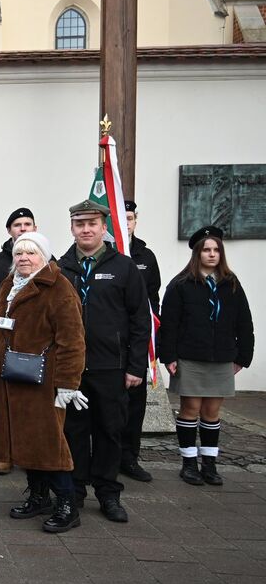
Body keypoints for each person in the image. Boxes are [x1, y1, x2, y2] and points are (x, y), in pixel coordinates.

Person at [0, 232, 87, 533]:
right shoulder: (9, 285)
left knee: (49, 443)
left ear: (44, 256)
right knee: (23, 440)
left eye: (31, 253)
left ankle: (68, 505)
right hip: (11, 377)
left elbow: (72, 340)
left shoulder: (59, 288)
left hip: (44, 380)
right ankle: (39, 496)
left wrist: (68, 384)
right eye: (19, 254)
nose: (24, 259)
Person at [57, 200, 150, 523]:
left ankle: (109, 493)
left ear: (103, 227)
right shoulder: (60, 267)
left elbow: (140, 319)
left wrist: (137, 366)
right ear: (71, 228)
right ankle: (76, 491)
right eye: (79, 224)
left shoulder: (123, 267)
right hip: (71, 368)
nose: (86, 229)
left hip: (111, 366)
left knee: (110, 430)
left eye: (92, 223)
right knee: (74, 431)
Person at [160, 226, 254, 487]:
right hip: (190, 357)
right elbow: (169, 324)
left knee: (212, 411)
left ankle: (209, 464)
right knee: (190, 409)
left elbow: (244, 323)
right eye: (206, 250)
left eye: (216, 250)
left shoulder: (231, 283)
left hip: (221, 358)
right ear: (197, 253)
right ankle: (189, 463)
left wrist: (242, 357)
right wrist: (169, 357)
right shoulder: (181, 285)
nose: (212, 255)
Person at [0, 207, 36, 475]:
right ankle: (4, 454)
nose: (23, 228)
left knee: (30, 403)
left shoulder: (47, 261)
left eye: (28, 223)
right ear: (9, 231)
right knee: (2, 404)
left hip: (35, 346)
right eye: (17, 224)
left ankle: (27, 452)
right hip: (4, 342)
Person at [119, 200, 161, 483]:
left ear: (135, 221)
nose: (127, 223)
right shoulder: (105, 256)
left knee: (135, 404)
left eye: (130, 218)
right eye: (122, 218)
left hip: (137, 340)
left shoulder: (146, 256)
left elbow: (153, 299)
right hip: (109, 341)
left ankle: (129, 457)